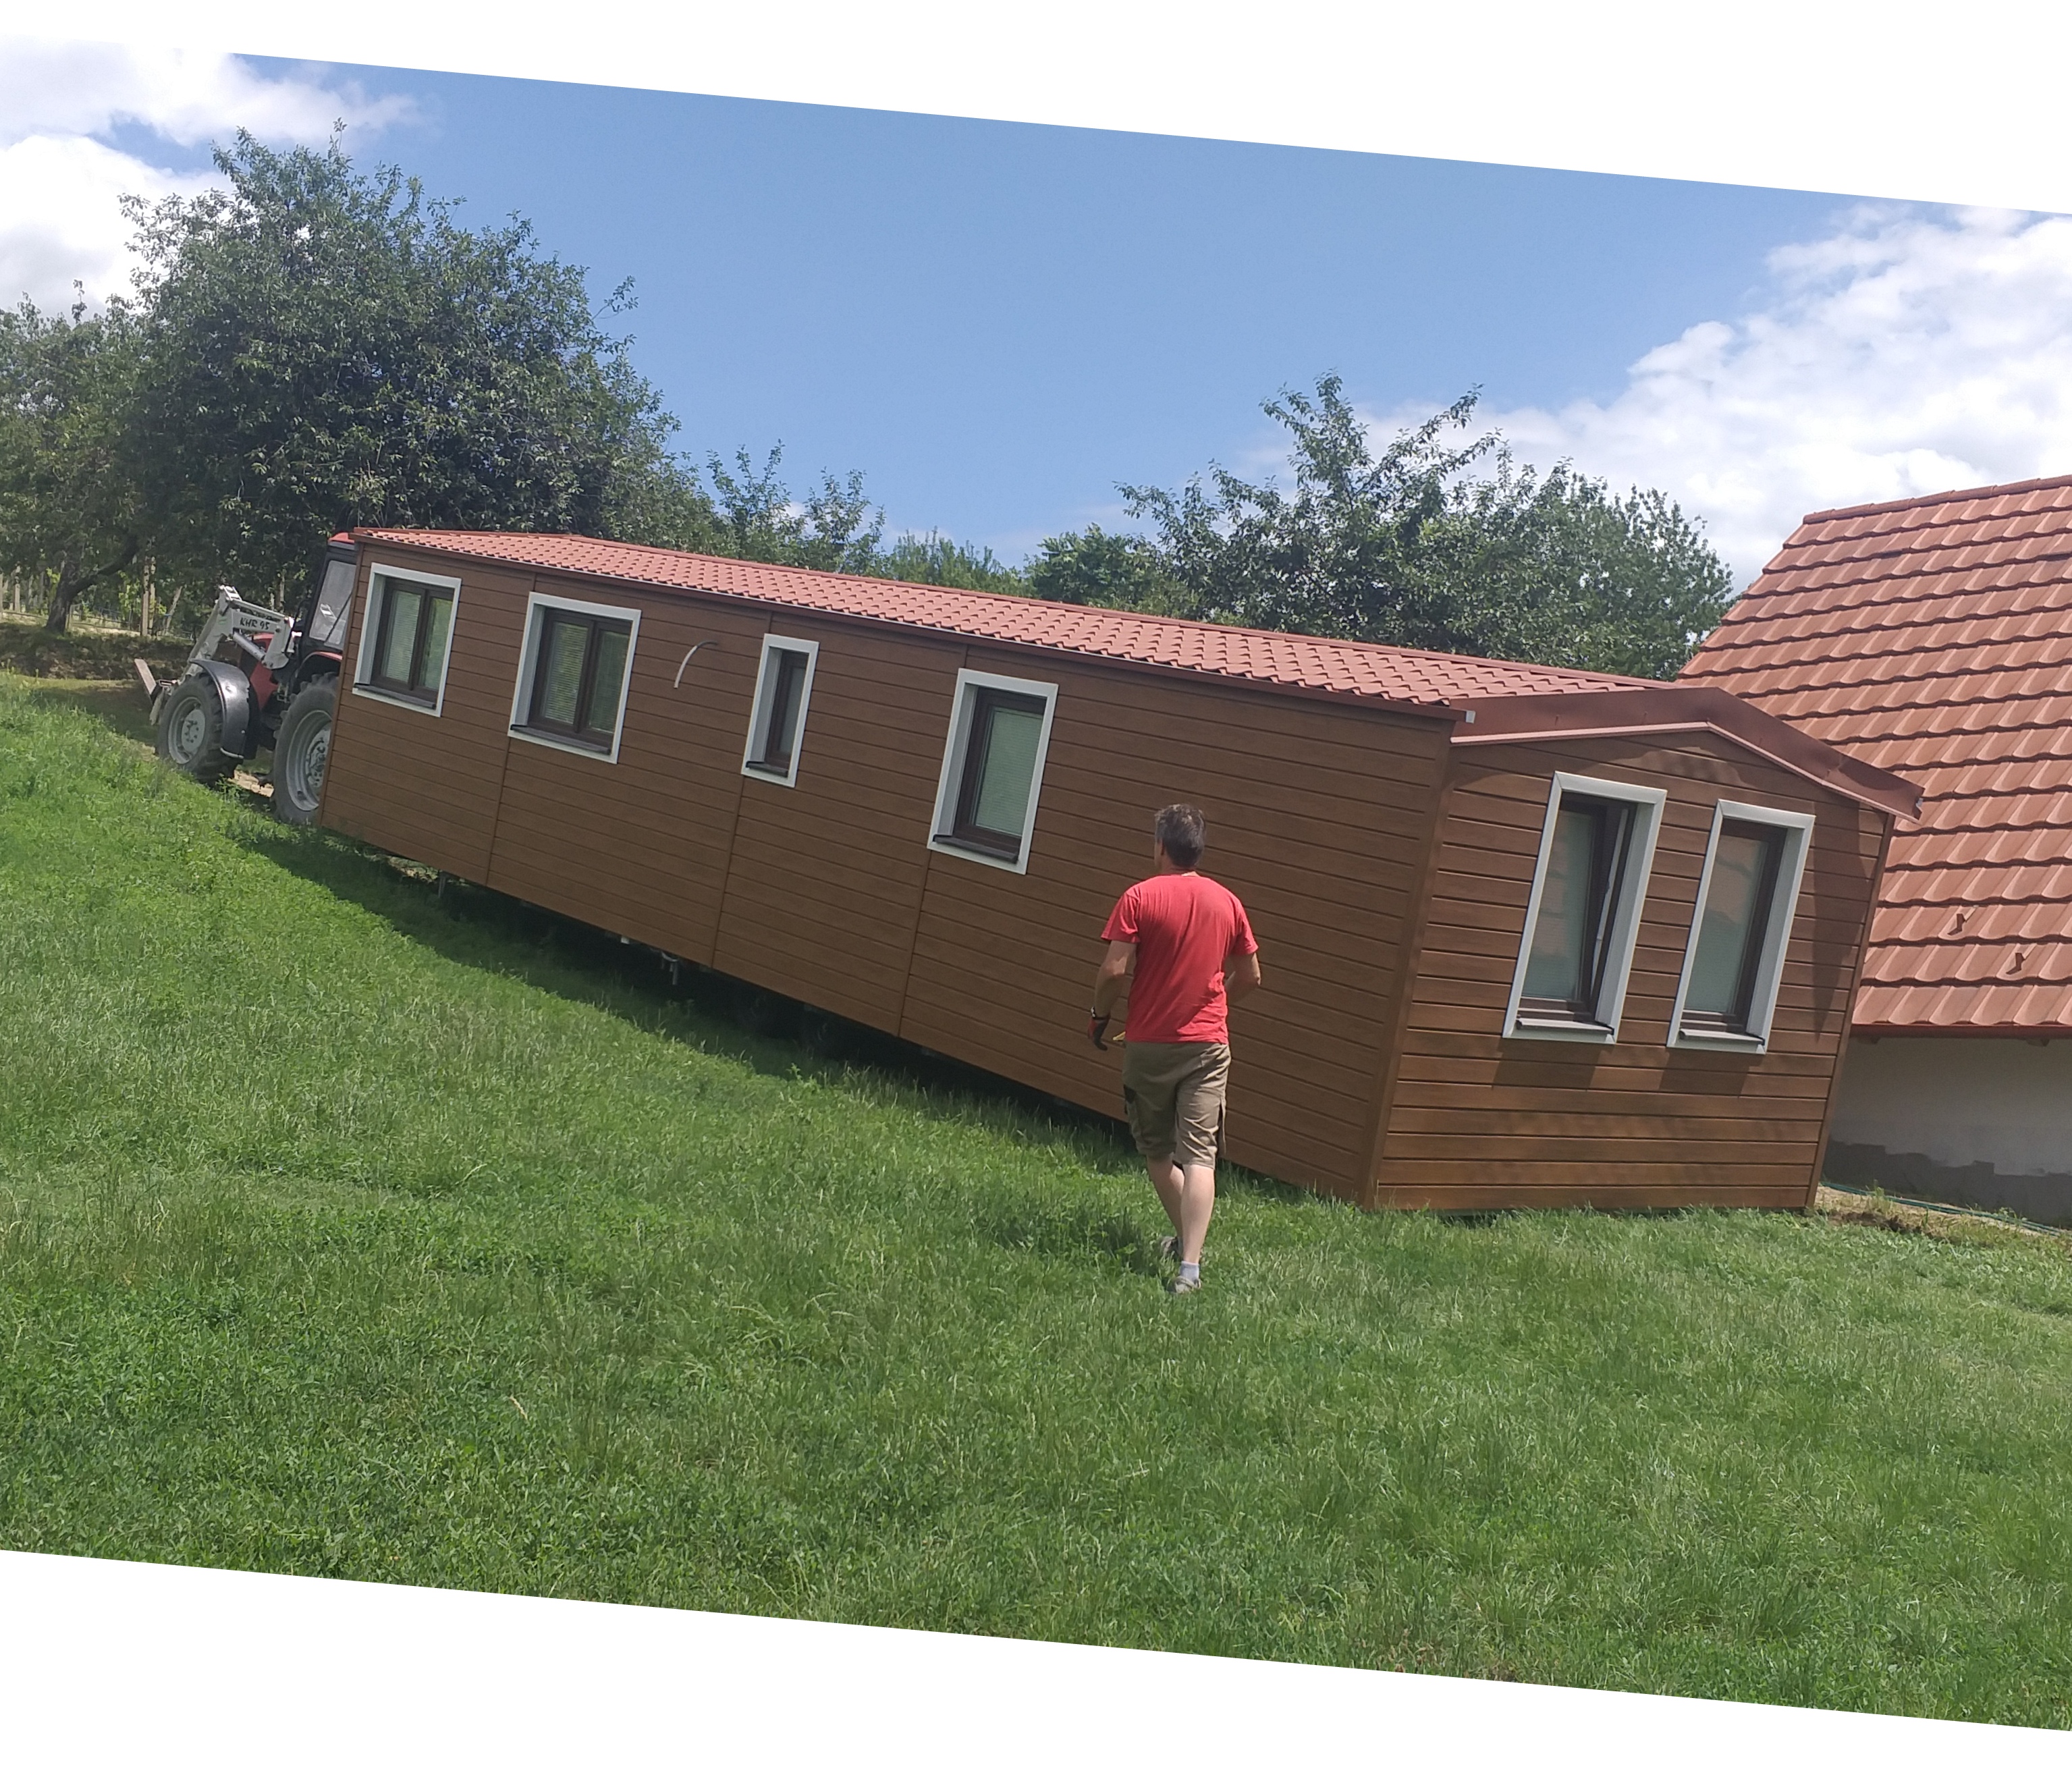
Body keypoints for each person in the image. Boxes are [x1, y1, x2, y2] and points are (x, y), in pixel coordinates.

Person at [1089, 804, 1261, 1294]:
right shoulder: (1228, 902)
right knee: (1201, 1156)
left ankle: (1188, 1246)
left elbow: (1114, 971)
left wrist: (1099, 1016)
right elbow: (1251, 976)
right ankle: (1190, 1267)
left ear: (1161, 846)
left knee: (1160, 1155)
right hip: (1208, 1044)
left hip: (1149, 1044)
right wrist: (1216, 1000)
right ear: (1198, 850)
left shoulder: (1139, 897)